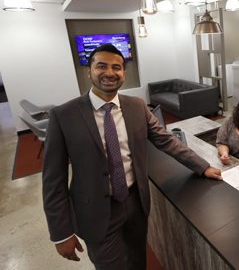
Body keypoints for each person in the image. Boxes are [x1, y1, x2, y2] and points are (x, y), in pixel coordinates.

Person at [42, 44, 222, 269]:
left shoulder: (137, 106)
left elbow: (165, 140)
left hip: (136, 203)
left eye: (116, 67)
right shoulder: (63, 116)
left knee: (137, 261)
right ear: (89, 71)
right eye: (101, 66)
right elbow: (53, 180)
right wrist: (61, 232)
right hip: (96, 212)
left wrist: (202, 166)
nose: (109, 73)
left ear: (123, 74)